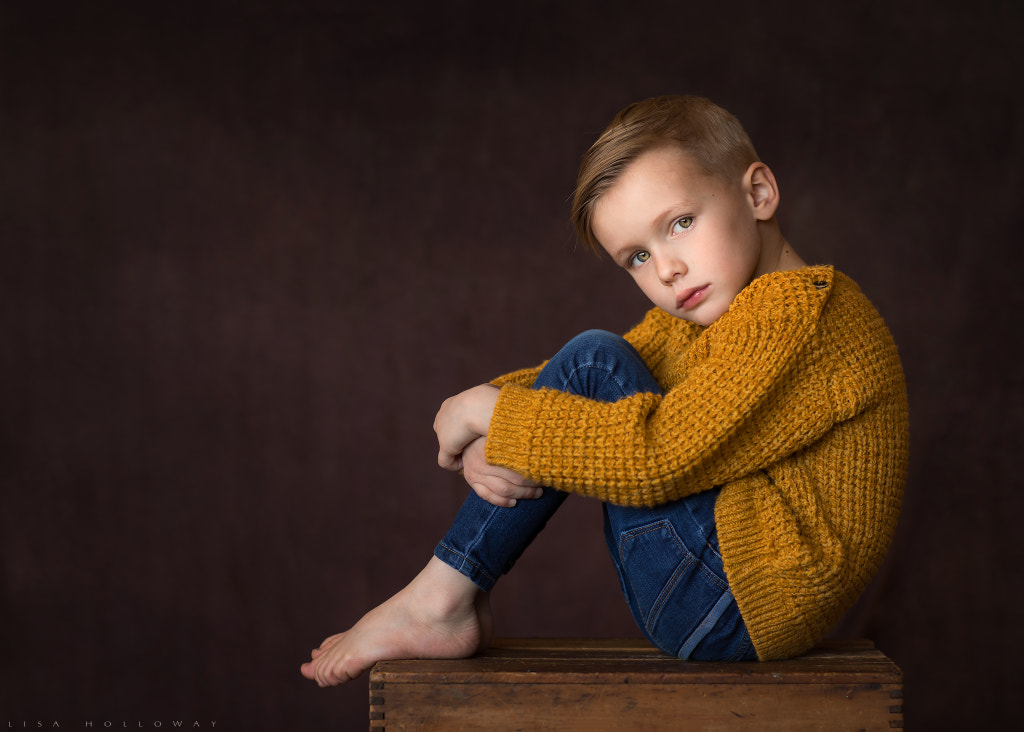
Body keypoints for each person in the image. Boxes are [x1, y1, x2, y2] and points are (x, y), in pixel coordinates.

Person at [300, 95, 909, 687]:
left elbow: (655, 454)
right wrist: (486, 418)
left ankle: (438, 601)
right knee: (596, 362)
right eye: (637, 256)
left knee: (597, 358)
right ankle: (446, 598)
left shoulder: (802, 316)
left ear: (758, 194)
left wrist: (491, 414)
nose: (666, 268)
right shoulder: (720, 316)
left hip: (735, 599)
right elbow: (583, 378)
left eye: (681, 223)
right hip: (718, 598)